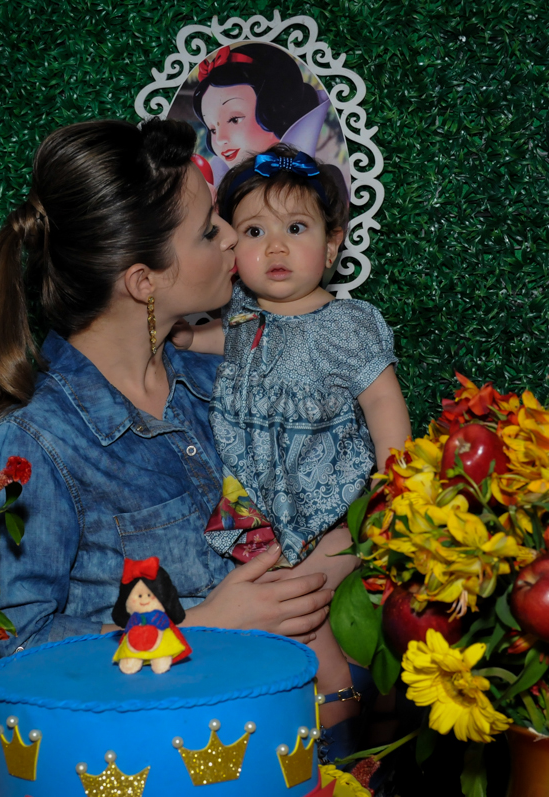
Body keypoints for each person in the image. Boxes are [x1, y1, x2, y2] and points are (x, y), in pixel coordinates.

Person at [0, 119, 342, 664]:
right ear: (143, 282)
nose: (231, 234)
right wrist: (204, 627)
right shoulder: (31, 446)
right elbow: (11, 646)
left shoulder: (226, 378)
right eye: (207, 232)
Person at [173, 144, 413, 749]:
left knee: (308, 593)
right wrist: (183, 337)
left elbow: (383, 403)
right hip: (258, 499)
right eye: (255, 232)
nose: (275, 248)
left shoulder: (348, 323)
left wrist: (395, 484)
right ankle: (339, 701)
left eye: (296, 229)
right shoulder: (239, 318)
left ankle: (341, 707)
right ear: (233, 248)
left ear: (332, 246)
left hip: (332, 498)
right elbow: (217, 343)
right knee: (284, 600)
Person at [192, 43, 332, 189]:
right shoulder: (219, 186)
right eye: (213, 129)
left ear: (275, 109)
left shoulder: (320, 178)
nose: (220, 139)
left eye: (234, 120)